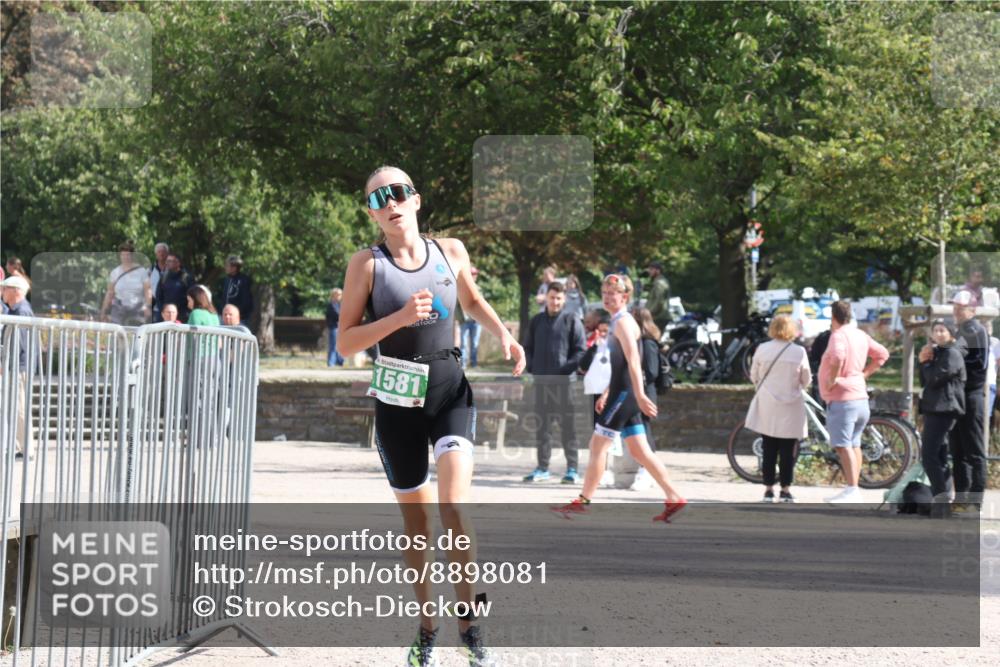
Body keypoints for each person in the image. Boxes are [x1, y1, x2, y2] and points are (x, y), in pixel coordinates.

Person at [336, 166, 524, 667]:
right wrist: (398, 318)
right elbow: (346, 340)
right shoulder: (367, 265)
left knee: (455, 509)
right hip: (396, 401)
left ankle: (469, 621)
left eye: (398, 192)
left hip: (447, 391)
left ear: (416, 200)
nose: (390, 202)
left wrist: (504, 333)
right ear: (372, 212)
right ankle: (427, 626)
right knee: (417, 526)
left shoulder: (451, 251)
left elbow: (473, 299)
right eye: (379, 197)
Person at [554, 274, 686, 521]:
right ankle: (674, 497)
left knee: (597, 446)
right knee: (640, 451)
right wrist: (607, 391)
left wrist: (638, 394)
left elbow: (635, 363)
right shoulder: (617, 321)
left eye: (612, 293)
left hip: (625, 395)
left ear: (625, 296)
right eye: (604, 293)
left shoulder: (624, 323)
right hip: (621, 392)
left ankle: (583, 501)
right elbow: (620, 364)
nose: (607, 297)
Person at [819, 300, 889, 504]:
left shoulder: (838, 335)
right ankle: (854, 487)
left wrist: (833, 379)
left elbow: (839, 356)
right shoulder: (860, 334)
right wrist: (864, 374)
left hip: (843, 399)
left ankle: (852, 489)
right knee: (854, 443)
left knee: (843, 446)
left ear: (833, 317)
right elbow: (883, 354)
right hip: (860, 399)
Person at [522, 281, 587, 484]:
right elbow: (527, 348)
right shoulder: (537, 321)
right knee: (543, 427)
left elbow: (580, 350)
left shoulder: (572, 320)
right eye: (552, 297)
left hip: (564, 384)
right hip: (541, 383)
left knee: (568, 427)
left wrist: (565, 369)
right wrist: (532, 366)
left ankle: (572, 470)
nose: (555, 301)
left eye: (559, 298)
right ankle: (542, 468)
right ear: (546, 298)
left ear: (564, 299)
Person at [745, 315, 811, 503]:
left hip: (767, 403)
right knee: (787, 450)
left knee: (768, 448)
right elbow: (806, 379)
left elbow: (754, 375)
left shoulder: (762, 349)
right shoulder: (798, 352)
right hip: (791, 405)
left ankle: (767, 489)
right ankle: (786, 490)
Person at [948, 290, 990, 512]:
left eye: (961, 307)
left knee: (972, 450)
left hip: (971, 395)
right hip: (960, 396)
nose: (956, 310)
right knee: (958, 449)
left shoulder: (973, 329)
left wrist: (954, 361)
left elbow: (980, 363)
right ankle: (963, 498)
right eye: (955, 306)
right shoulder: (961, 329)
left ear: (972, 310)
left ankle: (973, 499)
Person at [917, 320, 966, 502]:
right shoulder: (938, 352)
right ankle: (944, 496)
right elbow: (924, 380)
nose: (938, 333)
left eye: (942, 330)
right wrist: (923, 362)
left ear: (951, 334)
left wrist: (926, 364)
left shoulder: (952, 354)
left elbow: (935, 379)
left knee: (928, 455)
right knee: (939, 455)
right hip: (934, 408)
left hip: (944, 409)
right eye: (935, 330)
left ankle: (940, 497)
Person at [629, 308, 669, 492]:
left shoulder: (648, 343)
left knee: (644, 431)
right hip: (640, 391)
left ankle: (647, 471)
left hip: (646, 391)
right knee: (640, 431)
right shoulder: (638, 342)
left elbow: (652, 372)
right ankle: (647, 470)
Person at [2, 275, 34, 459]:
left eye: (6, 288)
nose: (3, 291)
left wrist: (4, 364)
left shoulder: (21, 311)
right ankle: (21, 447)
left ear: (16, 291)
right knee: (16, 406)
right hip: (16, 366)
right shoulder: (16, 310)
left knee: (20, 407)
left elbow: (19, 344)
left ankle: (26, 449)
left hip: (19, 366)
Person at [100, 241, 151, 326]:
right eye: (123, 255)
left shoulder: (141, 271)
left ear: (132, 256)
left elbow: (147, 291)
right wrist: (103, 310)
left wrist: (148, 306)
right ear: (120, 256)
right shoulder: (115, 272)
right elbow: (110, 292)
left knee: (135, 333)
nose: (125, 257)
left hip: (137, 309)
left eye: (128, 255)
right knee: (116, 333)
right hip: (119, 309)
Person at [156, 253, 194, 322]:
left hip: (182, 316)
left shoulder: (186, 278)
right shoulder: (164, 277)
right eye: (167, 261)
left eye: (170, 261)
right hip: (165, 316)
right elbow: (158, 296)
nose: (167, 263)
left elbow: (192, 296)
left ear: (178, 263)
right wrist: (163, 310)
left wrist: (186, 312)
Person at [219, 255, 254, 329]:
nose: (225, 267)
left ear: (234, 267)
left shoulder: (243, 280)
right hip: (226, 318)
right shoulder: (227, 280)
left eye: (227, 265)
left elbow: (246, 301)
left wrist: (239, 314)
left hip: (240, 319)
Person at [459, 266, 483, 368]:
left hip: (476, 322)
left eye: (475, 274)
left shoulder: (479, 289)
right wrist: (459, 318)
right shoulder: (460, 288)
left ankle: (474, 364)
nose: (474, 276)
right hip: (464, 321)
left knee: (474, 343)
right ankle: (463, 364)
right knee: (463, 344)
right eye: (472, 274)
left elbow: (481, 305)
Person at [644, 261, 672, 330]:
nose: (649, 271)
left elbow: (659, 301)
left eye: (651, 269)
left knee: (650, 339)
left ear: (658, 270)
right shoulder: (658, 281)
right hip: (658, 317)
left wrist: (649, 314)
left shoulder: (660, 283)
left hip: (658, 318)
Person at [149, 242, 170, 321]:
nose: (161, 254)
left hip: (169, 307)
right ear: (156, 254)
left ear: (167, 253)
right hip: (155, 308)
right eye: (159, 252)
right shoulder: (150, 270)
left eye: (163, 251)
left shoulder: (172, 269)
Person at [325, 288, 345, 367]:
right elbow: (338, 315)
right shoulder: (331, 305)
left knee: (340, 345)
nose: (341, 296)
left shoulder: (340, 304)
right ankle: (331, 363)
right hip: (334, 328)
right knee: (333, 346)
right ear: (334, 295)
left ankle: (340, 362)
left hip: (340, 328)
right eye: (339, 294)